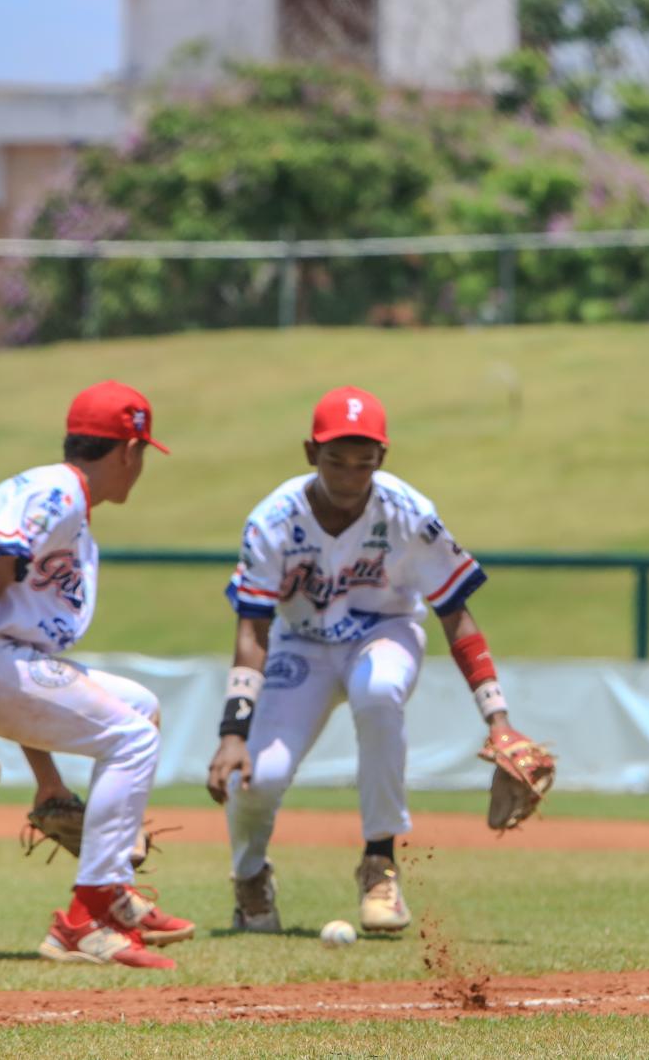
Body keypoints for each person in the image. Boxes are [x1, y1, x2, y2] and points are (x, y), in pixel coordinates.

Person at [206, 386, 545, 934]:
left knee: (379, 690)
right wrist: (232, 730)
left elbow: (456, 613)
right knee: (259, 776)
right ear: (310, 453)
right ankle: (249, 879)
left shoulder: (410, 513)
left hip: (384, 631)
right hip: (302, 643)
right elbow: (254, 627)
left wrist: (498, 719)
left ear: (382, 459)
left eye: (364, 463)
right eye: (335, 460)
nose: (348, 476)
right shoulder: (272, 520)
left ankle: (379, 862)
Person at [0, 381, 192, 970]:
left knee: (140, 709)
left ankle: (109, 893)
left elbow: (28, 661)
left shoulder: (64, 507)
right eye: (140, 456)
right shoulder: (55, 496)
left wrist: (49, 781)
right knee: (132, 740)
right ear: (129, 452)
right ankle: (87, 917)